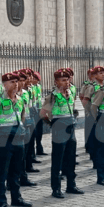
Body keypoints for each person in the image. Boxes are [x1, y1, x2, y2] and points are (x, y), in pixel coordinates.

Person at [0, 72, 31, 207]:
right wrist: (1, 129)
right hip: (3, 140)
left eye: (17, 81)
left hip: (18, 139)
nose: (15, 84)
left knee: (16, 170)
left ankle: (16, 198)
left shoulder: (21, 99)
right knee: (2, 172)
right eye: (12, 82)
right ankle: (2, 201)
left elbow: (22, 117)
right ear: (4, 85)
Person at [40, 70, 83, 198]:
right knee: (58, 159)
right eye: (63, 80)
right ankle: (56, 188)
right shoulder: (52, 96)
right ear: (56, 82)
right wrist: (52, 123)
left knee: (71, 158)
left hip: (70, 127)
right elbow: (43, 113)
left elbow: (73, 106)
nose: (67, 82)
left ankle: (71, 185)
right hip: (59, 127)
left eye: (68, 79)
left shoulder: (71, 92)